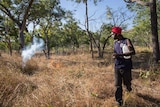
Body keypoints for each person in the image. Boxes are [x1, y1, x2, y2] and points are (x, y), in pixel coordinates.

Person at [111, 26, 135, 106]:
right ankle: (119, 101)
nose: (112, 35)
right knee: (117, 85)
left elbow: (132, 52)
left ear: (117, 34)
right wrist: (115, 56)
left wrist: (119, 54)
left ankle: (130, 98)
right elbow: (116, 53)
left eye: (113, 33)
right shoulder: (115, 43)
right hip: (117, 66)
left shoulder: (126, 41)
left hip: (126, 66)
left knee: (127, 84)